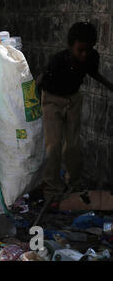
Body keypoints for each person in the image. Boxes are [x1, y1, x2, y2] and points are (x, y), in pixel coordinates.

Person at [36, 22, 113, 203]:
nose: (84, 55)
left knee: (73, 145)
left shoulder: (92, 57)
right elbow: (41, 80)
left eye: (88, 50)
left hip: (73, 99)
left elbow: (93, 73)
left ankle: (74, 182)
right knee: (53, 145)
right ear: (71, 46)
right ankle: (51, 187)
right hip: (52, 100)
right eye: (80, 50)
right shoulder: (58, 61)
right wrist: (31, 102)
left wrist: (110, 86)